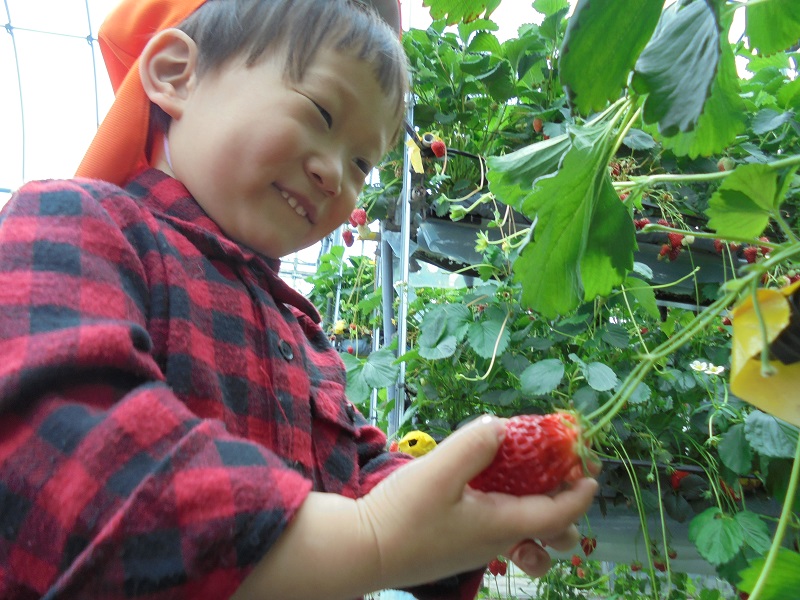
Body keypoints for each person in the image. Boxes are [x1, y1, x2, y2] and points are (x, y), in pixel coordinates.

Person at [0, 0, 599, 598]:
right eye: (320, 112)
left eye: (362, 162)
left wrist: (472, 498)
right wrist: (370, 539)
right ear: (177, 75)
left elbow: (357, 475)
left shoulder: (301, 337)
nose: (336, 175)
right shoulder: (74, 224)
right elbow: (69, 467)